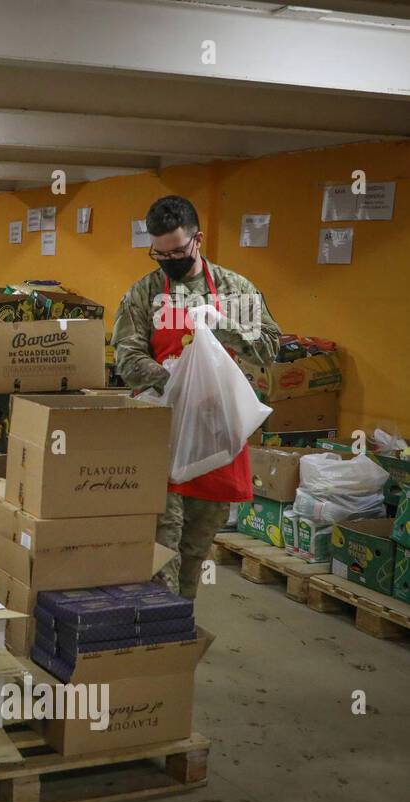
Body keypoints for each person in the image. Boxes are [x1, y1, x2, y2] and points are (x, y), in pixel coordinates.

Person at [113, 195, 281, 600]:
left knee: (195, 551)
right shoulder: (146, 293)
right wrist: (171, 380)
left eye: (177, 250)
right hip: (163, 438)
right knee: (161, 549)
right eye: (159, 252)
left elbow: (270, 347)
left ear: (198, 240)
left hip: (217, 440)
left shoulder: (234, 289)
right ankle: (157, 630)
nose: (168, 259)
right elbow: (125, 355)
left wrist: (225, 326)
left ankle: (180, 631)